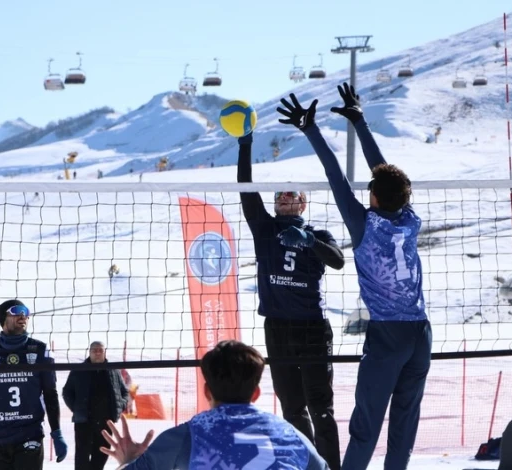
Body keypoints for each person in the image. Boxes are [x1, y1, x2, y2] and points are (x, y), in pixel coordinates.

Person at [276, 82, 432, 470]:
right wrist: (359, 123)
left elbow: (335, 175)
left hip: (389, 335)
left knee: (366, 428)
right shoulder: (410, 220)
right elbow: (386, 176)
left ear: (375, 196)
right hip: (421, 333)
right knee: (403, 431)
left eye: (372, 190)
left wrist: (310, 129)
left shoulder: (365, 225)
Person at [236, 131, 345, 469]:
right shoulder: (264, 229)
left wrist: (308, 240)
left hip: (312, 328)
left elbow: (337, 260)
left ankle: (332, 466)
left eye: (290, 195)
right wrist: (245, 146)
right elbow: (246, 190)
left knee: (320, 406)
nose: (283, 198)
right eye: (279, 195)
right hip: (278, 328)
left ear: (302, 203)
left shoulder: (319, 235)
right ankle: (308, 464)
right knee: (291, 408)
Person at [100, 340, 328, 470]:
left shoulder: (186, 437)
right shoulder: (291, 436)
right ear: (256, 393)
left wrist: (130, 461)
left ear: (206, 391)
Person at [0, 299, 68, 469]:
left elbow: (50, 394)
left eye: (26, 311)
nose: (23, 315)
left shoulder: (40, 350)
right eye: (16, 310)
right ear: (3, 318)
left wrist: (56, 432)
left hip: (30, 436)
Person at [62, 341, 129, 470]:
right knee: (82, 458)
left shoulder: (113, 370)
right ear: (89, 352)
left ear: (104, 352)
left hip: (106, 422)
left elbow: (124, 392)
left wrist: (120, 406)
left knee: (101, 456)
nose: (97, 353)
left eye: (100, 350)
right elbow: (67, 392)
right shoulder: (79, 370)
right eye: (94, 350)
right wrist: (76, 409)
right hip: (84, 422)